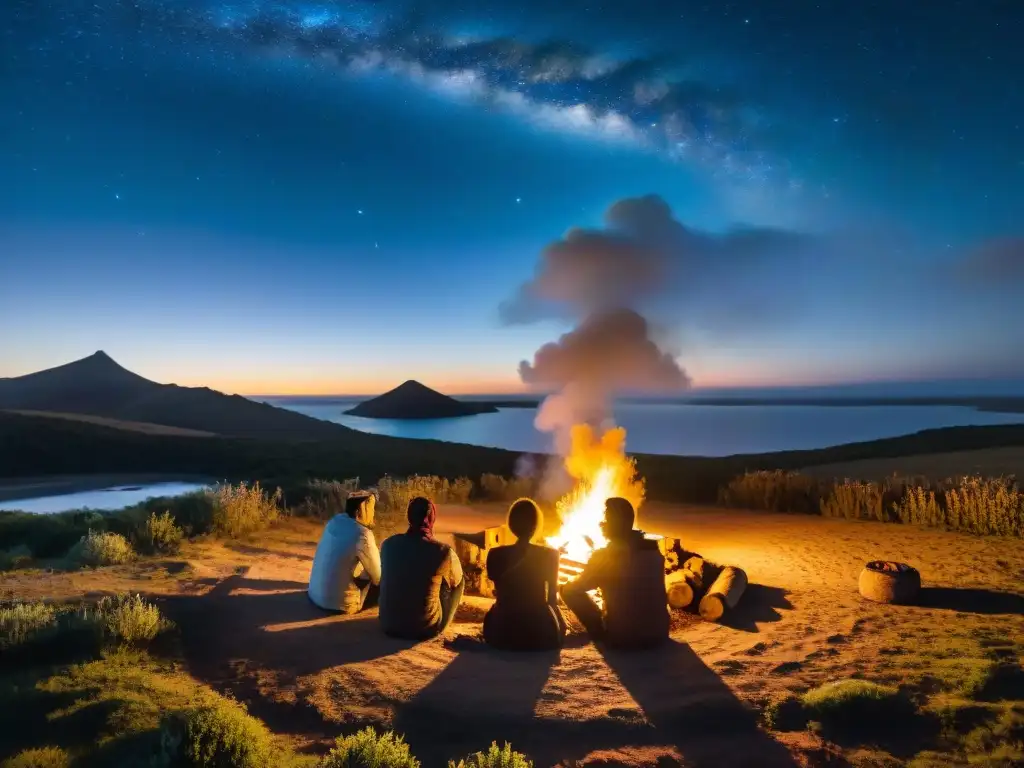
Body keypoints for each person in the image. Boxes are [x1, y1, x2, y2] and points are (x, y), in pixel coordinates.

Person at [561, 497, 669, 649]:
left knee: (567, 590)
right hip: (659, 633)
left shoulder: (606, 556)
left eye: (605, 518)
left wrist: (566, 585)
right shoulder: (653, 550)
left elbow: (575, 588)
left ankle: (599, 632)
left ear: (613, 523)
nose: (601, 523)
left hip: (624, 638)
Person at [483, 498, 567, 651]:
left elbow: (498, 591)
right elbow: (552, 600)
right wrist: (560, 627)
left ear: (511, 525)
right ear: (536, 526)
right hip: (539, 634)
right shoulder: (551, 555)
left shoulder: (495, 554)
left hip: (501, 633)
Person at [378, 496, 465, 640]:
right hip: (425, 629)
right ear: (431, 518)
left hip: (388, 625)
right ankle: (439, 622)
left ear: (409, 517)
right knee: (457, 581)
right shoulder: (442, 551)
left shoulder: (388, 544)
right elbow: (457, 581)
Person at [307, 490, 381, 613]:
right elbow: (378, 577)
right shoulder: (363, 533)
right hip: (341, 605)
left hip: (314, 596)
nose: (373, 513)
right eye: (371, 508)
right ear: (361, 510)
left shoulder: (334, 521)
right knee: (384, 580)